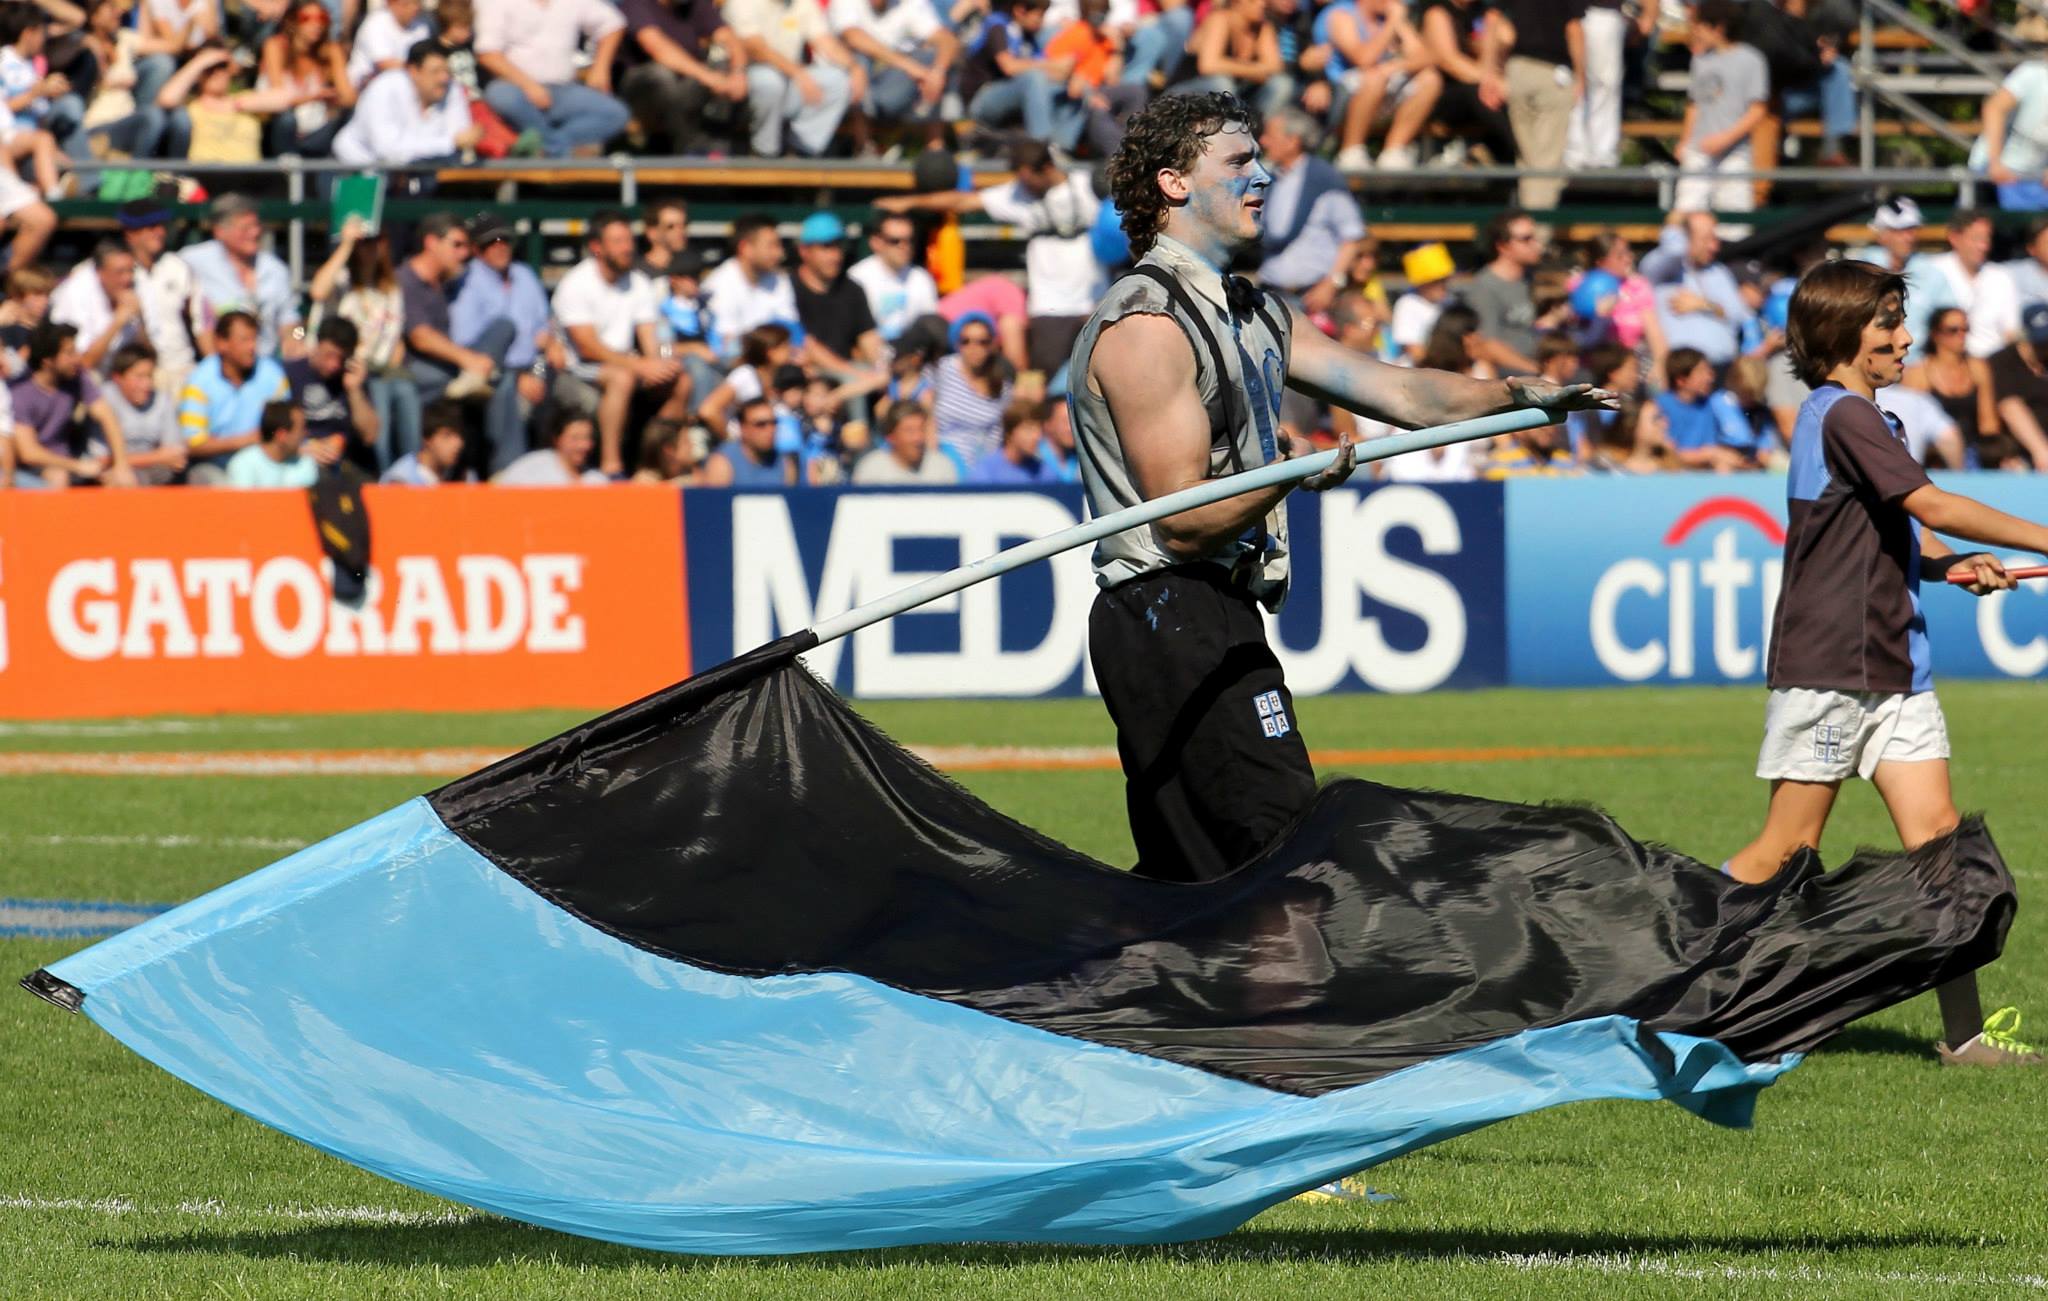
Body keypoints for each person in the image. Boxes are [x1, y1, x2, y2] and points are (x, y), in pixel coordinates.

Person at [1075, 91, 1608, 885]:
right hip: (1167, 612)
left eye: (1260, 159)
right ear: (1174, 184)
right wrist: (1287, 476)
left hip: (1209, 610)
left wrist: (1513, 396)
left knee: (1193, 882)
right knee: (1284, 862)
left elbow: (1404, 393)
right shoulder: (1148, 325)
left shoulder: (1253, 310)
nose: (1263, 176)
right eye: (1239, 162)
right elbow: (1181, 521)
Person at [1724, 257, 2046, 1067]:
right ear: (1841, 333)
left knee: (1942, 851)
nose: (1906, 338)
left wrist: (1952, 564)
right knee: (1783, 855)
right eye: (1889, 324)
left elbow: (1914, 531)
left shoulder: (1875, 420)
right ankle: (1667, 988)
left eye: (1903, 322)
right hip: (1831, 670)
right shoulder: (1843, 414)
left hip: (1897, 669)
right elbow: (1931, 502)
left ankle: (1965, 1038)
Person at [879, 139, 1105, 376]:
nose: (1024, 185)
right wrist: (908, 202)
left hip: (1093, 301)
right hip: (1049, 309)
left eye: (1028, 179)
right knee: (1047, 379)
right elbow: (962, 201)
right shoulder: (1017, 194)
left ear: (1047, 168)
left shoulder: (1087, 186)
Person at [552, 208, 690, 477]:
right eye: (617, 241)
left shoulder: (638, 283)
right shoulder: (576, 284)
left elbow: (650, 335)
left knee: (681, 380)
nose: (627, 248)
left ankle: (659, 462)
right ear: (597, 247)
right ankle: (612, 465)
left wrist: (660, 363)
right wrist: (641, 366)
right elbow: (587, 347)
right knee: (622, 378)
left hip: (624, 362)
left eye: (628, 240)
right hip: (578, 368)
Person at [309, 217, 415, 467]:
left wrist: (380, 366)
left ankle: (413, 473)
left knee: (405, 391)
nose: (371, 247)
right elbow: (317, 291)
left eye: (376, 240)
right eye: (364, 241)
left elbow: (392, 342)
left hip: (374, 369)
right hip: (339, 365)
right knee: (379, 395)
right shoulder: (341, 279)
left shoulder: (391, 288)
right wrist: (346, 244)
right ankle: (383, 472)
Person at [475, 0, 630, 158]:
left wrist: (600, 68)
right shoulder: (495, 3)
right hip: (514, 89)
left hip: (563, 90)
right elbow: (487, 53)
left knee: (615, 113)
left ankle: (547, 148)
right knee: (501, 95)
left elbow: (613, 24)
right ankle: (555, 151)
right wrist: (528, 86)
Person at [1253, 109, 1368, 311]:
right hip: (1270, 293)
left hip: (1310, 298)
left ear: (1292, 141)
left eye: (1270, 135)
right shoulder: (1269, 177)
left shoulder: (1324, 179)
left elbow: (1352, 237)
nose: (1263, 141)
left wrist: (1332, 283)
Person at [725, 0, 861, 157]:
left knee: (838, 80)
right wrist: (798, 73)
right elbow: (756, 48)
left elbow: (823, 39)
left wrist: (854, 67)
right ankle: (764, 152)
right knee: (769, 81)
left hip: (790, 76)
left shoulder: (802, 3)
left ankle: (802, 149)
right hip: (745, 77)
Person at [1484, 0, 1584, 211]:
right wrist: (1581, 76)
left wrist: (1489, 73)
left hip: (1517, 71)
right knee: (1546, 161)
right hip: (1552, 73)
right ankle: (1538, 227)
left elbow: (1492, 19)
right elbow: (1574, 29)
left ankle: (1525, 222)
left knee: (1528, 159)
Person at [1322, 0, 1442, 173]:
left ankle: (1393, 152)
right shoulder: (1341, 15)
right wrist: (1392, 23)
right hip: (1341, 95)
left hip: (1383, 90)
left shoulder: (1390, 18)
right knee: (1375, 78)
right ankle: (1351, 151)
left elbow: (1426, 57)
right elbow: (1364, 59)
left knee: (1430, 78)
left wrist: (1394, 65)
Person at [1673, 0, 1767, 218]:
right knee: (1687, 211)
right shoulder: (1700, 60)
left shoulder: (1751, 59)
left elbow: (1757, 110)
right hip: (1699, 150)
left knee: (1734, 217)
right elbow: (1694, 104)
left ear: (1719, 27)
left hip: (1735, 153)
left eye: (1701, 26)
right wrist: (1686, 140)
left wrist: (1724, 139)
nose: (1696, 32)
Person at [9, 322, 132, 488]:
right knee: (58, 477)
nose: (77, 358)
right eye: (69, 353)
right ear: (47, 360)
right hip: (32, 469)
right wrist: (77, 466)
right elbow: (29, 453)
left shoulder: (77, 377)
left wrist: (121, 465)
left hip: (70, 460)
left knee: (121, 480)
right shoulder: (19, 393)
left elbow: (107, 416)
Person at [617, 0, 746, 156]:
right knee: (661, 76)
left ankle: (719, 148)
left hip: (688, 83)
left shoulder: (695, 4)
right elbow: (658, 48)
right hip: (643, 91)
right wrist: (709, 77)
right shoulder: (636, 4)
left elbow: (728, 38)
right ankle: (685, 150)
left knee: (725, 69)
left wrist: (738, 73)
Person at [183, 193, 302, 359]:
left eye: (257, 225)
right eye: (245, 228)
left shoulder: (275, 269)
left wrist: (296, 338)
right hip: (216, 363)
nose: (255, 232)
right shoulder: (193, 260)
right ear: (219, 231)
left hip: (266, 362)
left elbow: (293, 322)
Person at [177, 309, 290, 483]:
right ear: (222, 343)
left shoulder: (272, 375)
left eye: (254, 339)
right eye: (245, 340)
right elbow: (193, 444)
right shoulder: (199, 381)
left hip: (263, 464)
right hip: (214, 467)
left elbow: (284, 427)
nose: (252, 347)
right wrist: (248, 440)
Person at [828, 0, 955, 152]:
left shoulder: (909, 3)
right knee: (859, 61)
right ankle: (863, 146)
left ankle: (935, 148)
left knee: (937, 59)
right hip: (854, 82)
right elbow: (853, 37)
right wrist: (909, 66)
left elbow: (947, 40)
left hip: (894, 80)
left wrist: (938, 71)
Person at [333, 38, 477, 167]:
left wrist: (451, 143)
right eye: (435, 71)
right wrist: (449, 142)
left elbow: (462, 139)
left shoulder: (451, 88)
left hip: (417, 173)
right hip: (354, 171)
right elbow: (388, 150)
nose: (443, 78)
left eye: (447, 71)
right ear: (413, 71)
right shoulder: (385, 87)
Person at [1642, 210, 1749, 368]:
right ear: (1686, 237)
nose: (1714, 247)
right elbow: (1674, 250)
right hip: (1681, 371)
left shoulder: (1718, 271)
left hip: (1722, 368)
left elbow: (1738, 315)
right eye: (1706, 239)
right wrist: (1674, 227)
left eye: (1715, 239)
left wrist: (1705, 305)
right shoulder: (1664, 269)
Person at [114, 188, 196, 395]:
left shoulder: (178, 267)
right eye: (151, 227)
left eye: (161, 226)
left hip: (182, 368)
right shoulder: (115, 272)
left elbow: (198, 321)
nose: (159, 232)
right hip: (138, 374)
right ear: (130, 234)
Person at [1901, 306, 1998, 469]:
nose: (1961, 335)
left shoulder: (1978, 368)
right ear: (1935, 334)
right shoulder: (1918, 374)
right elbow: (1911, 427)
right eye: (1953, 330)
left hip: (1973, 452)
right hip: (1933, 456)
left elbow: (1988, 423)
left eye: (1965, 329)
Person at [790, 211, 884, 380]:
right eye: (826, 247)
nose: (836, 255)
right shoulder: (787, 289)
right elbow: (806, 345)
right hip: (805, 375)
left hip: (849, 374)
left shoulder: (852, 289)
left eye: (838, 245)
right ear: (804, 251)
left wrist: (883, 374)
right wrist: (855, 375)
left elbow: (869, 340)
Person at [1916, 214, 2019, 363]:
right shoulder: (1934, 270)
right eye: (1976, 238)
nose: (1983, 246)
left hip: (1993, 362)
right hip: (1943, 361)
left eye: (1987, 239)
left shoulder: (2001, 276)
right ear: (1954, 238)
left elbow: (2011, 332)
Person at [259, 0, 355, 157]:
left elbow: (349, 98)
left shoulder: (330, 51)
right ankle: (291, 166)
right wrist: (313, 97)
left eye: (322, 18)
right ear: (292, 21)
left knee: (351, 115)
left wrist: (336, 56)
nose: (316, 24)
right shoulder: (276, 46)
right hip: (283, 129)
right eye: (306, 18)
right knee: (287, 119)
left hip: (317, 130)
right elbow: (279, 98)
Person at [702, 213, 800, 361]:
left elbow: (794, 332)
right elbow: (726, 348)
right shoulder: (719, 285)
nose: (780, 253)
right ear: (745, 248)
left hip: (779, 362)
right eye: (771, 246)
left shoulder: (779, 279)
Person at [285, 316, 379, 469]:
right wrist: (302, 448)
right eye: (329, 355)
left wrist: (354, 390)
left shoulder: (353, 379)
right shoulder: (291, 373)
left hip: (345, 463)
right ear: (317, 344)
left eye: (341, 358)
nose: (334, 365)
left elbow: (369, 436)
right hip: (300, 458)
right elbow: (274, 431)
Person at [49, 238, 145, 377]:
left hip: (118, 376)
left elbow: (148, 354)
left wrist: (141, 320)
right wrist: (118, 321)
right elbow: (83, 364)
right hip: (80, 378)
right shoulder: (75, 294)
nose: (127, 278)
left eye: (131, 271)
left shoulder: (135, 286)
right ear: (100, 272)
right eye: (120, 272)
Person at [1464, 208, 1542, 375]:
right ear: (1502, 246)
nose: (1536, 245)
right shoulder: (1484, 287)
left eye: (1535, 238)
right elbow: (1486, 345)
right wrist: (1538, 372)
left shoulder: (1526, 280)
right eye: (1526, 239)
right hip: (1508, 377)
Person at [848, 210, 938, 344]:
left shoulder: (922, 279)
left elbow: (930, 326)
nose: (904, 246)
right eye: (895, 241)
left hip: (911, 352)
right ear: (876, 242)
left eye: (910, 240)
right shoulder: (857, 277)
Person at [1972, 53, 2048, 211]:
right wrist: (1995, 163)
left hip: (2033, 176)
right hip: (1998, 170)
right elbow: (1994, 108)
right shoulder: (2032, 73)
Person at [102, 344, 187, 484]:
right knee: (124, 478)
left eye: (150, 376)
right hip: (117, 475)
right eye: (139, 377)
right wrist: (158, 457)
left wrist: (160, 458)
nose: (147, 384)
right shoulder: (103, 400)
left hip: (155, 471)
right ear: (117, 378)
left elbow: (176, 455)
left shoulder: (162, 399)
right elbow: (101, 461)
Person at [1981, 303, 2048, 471]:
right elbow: (2010, 406)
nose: (2045, 348)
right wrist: (2041, 451)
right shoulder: (2002, 362)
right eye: (2041, 342)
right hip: (2018, 454)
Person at [852, 398, 956, 483]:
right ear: (891, 437)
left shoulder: (941, 466)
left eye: (922, 429)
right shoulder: (871, 469)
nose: (918, 438)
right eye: (909, 431)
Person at [494, 409, 611, 484]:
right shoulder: (532, 467)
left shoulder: (596, 479)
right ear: (557, 439)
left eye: (587, 438)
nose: (584, 445)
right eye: (575, 438)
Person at [224, 399, 318, 488]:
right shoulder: (243, 464)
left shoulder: (305, 463)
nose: (306, 433)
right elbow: (243, 500)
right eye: (301, 429)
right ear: (282, 435)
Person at [969, 398, 1063, 482]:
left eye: (1039, 430)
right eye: (1029, 429)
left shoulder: (1043, 472)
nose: (1037, 436)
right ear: (1009, 432)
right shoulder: (986, 472)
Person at [1389, 241, 1453, 365]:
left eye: (1444, 279)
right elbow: (1415, 352)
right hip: (1416, 370)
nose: (1442, 285)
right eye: (1435, 281)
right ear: (1421, 283)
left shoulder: (1449, 302)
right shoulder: (1408, 304)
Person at [382, 399, 471, 484]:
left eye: (461, 435)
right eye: (447, 435)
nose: (458, 443)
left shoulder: (465, 475)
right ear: (427, 438)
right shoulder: (400, 481)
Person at [715, 396, 799, 485]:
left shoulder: (785, 463)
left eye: (774, 423)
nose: (770, 430)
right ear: (743, 428)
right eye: (761, 424)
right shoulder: (722, 464)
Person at [347, 0, 431, 88]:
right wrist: (417, 69)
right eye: (407, 4)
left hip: (406, 83)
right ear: (391, 4)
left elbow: (426, 59)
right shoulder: (376, 22)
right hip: (365, 85)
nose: (414, 8)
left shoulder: (422, 27)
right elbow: (384, 64)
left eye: (416, 3)